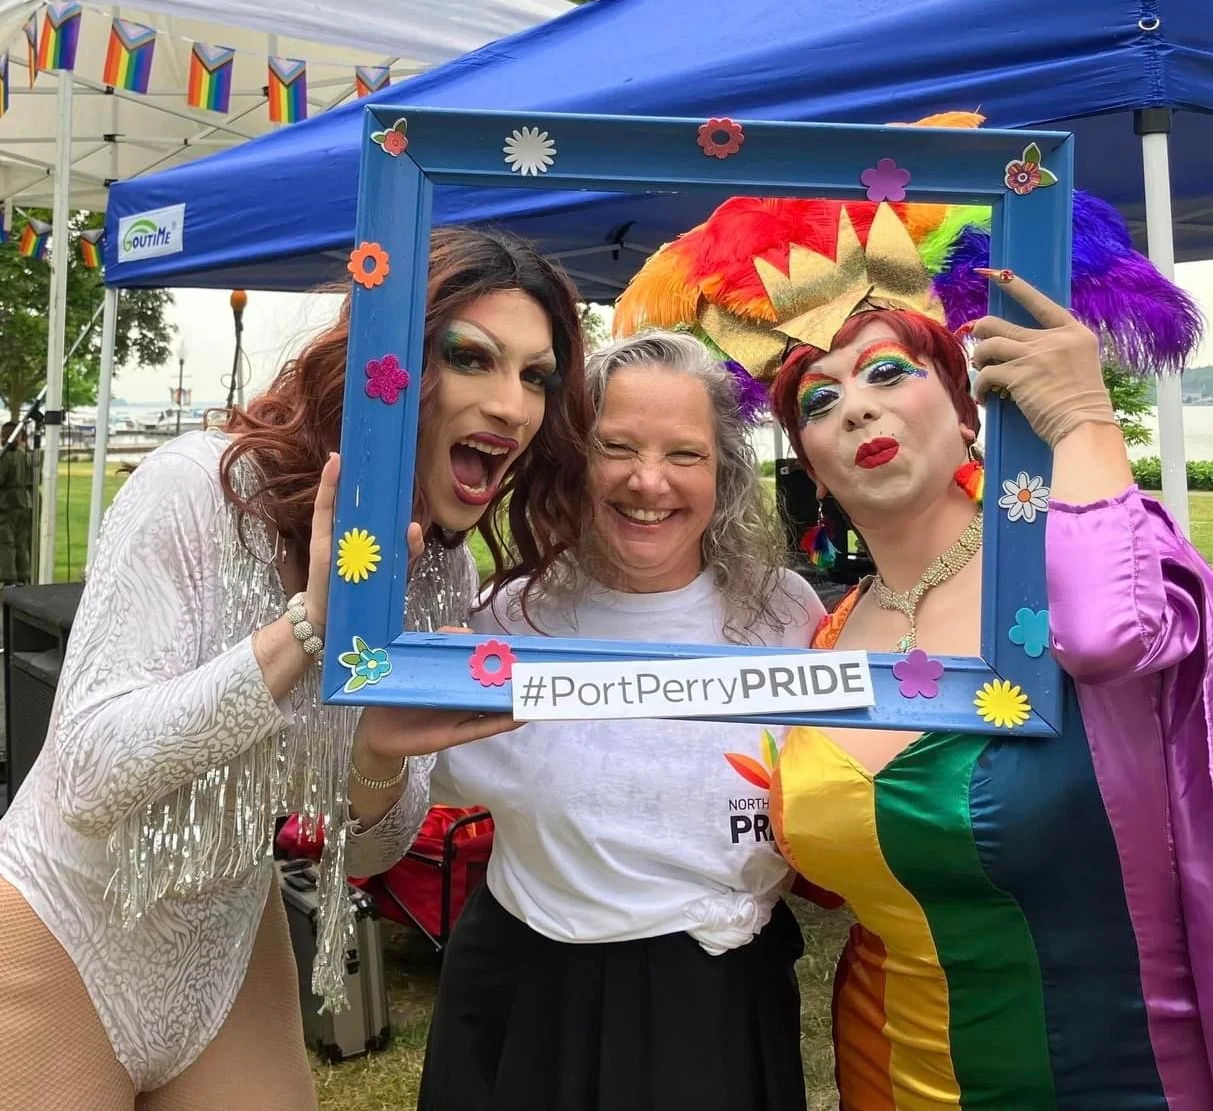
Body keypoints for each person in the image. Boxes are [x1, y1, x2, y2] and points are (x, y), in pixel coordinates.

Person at [617, 176, 1212, 1107]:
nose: (855, 408)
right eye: (819, 401)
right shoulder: (824, 634)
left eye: (889, 373)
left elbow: (1109, 640)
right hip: (886, 1071)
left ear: (967, 408)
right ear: (811, 466)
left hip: (1118, 1075)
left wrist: (1081, 419)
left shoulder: (1079, 559)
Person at [0, 227, 592, 1110]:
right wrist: (305, 628)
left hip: (230, 950)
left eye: (536, 376)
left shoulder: (438, 573)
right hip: (64, 928)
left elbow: (376, 849)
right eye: (471, 358)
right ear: (388, 367)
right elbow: (87, 777)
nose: (512, 405)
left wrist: (378, 755)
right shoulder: (199, 487)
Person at [418, 330, 824, 1111]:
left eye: (684, 454)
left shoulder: (785, 615)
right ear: (572, 457)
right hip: (531, 991)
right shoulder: (505, 623)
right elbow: (391, 794)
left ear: (723, 473)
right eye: (616, 447)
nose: (648, 481)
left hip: (717, 1002)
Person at [0, 421, 33, 586]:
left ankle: (8, 578)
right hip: (25, 502)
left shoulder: (5, 456)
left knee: (6, 542)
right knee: (21, 543)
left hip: (7, 504)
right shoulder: (25, 455)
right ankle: (23, 575)